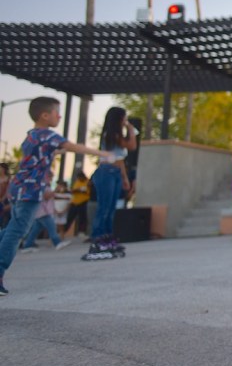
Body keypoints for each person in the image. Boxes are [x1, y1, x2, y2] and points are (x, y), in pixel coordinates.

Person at [0, 97, 111, 295]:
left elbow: (53, 150)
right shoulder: (47, 134)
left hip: (20, 187)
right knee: (17, 232)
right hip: (30, 189)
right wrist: (102, 154)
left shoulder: (32, 135)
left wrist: (56, 153)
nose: (59, 116)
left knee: (13, 229)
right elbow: (71, 146)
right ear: (44, 116)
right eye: (56, 112)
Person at [85, 107, 134, 260]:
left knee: (111, 209)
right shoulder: (111, 135)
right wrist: (131, 130)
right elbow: (131, 146)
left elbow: (121, 160)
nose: (125, 121)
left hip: (116, 173)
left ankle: (107, 239)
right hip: (106, 172)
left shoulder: (117, 135)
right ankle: (97, 240)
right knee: (104, 208)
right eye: (124, 118)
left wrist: (125, 178)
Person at [20, 171, 71, 252]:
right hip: (43, 211)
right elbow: (46, 196)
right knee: (52, 227)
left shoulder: (42, 185)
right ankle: (57, 243)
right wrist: (55, 191)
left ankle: (27, 245)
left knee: (35, 230)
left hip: (41, 211)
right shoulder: (42, 185)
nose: (51, 179)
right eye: (50, 177)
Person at [63, 170, 90, 239]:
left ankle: (81, 232)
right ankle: (63, 231)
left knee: (82, 218)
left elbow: (88, 192)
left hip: (83, 202)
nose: (79, 179)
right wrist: (77, 190)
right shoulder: (77, 182)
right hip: (74, 202)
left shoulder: (87, 182)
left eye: (80, 178)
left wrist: (81, 191)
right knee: (70, 217)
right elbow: (74, 190)